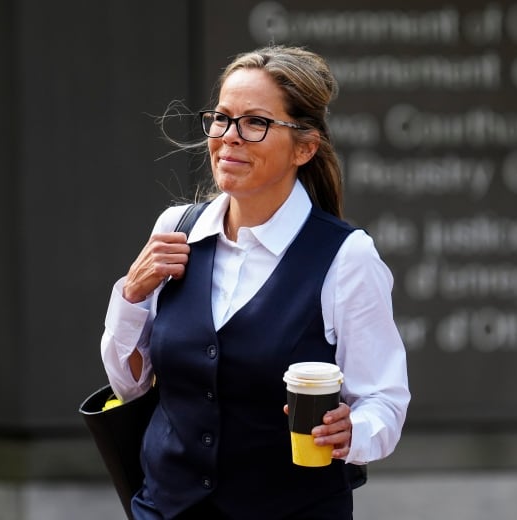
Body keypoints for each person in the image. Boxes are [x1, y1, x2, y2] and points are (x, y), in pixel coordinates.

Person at [100, 45, 410, 519]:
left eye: (256, 123)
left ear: (304, 147)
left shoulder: (346, 258)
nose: (229, 137)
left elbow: (383, 401)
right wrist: (131, 296)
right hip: (165, 509)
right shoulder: (177, 229)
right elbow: (130, 387)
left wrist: (354, 432)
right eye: (222, 118)